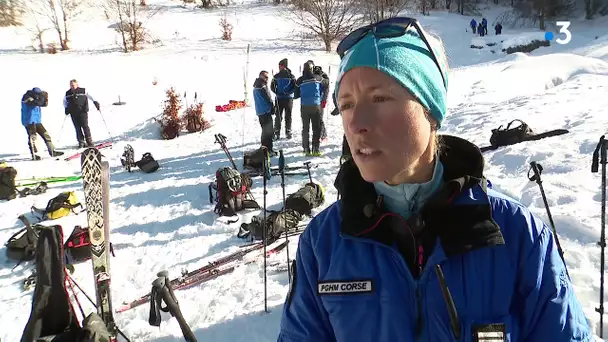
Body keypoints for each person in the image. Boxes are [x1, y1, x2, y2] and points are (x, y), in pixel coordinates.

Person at [277, 17, 592, 341]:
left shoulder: (516, 234)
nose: (356, 124)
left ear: (430, 108)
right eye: (346, 105)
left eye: (380, 98)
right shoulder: (323, 243)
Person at [294, 61, 329, 156]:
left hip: (304, 106)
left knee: (305, 128)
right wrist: (322, 73)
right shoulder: (317, 78)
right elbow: (326, 83)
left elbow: (296, 94)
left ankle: (306, 149)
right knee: (316, 128)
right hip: (315, 106)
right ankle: (315, 149)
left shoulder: (300, 80)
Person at [21, 88, 63, 160]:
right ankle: (34, 154)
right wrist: (42, 98)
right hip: (29, 120)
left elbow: (43, 104)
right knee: (33, 138)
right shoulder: (26, 97)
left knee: (45, 134)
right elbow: (36, 103)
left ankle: (52, 151)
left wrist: (46, 99)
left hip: (37, 120)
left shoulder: (36, 97)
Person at [63, 79, 100, 148]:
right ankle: (81, 142)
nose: (72, 86)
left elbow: (91, 96)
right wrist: (66, 108)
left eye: (73, 85)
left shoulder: (83, 90)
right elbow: (64, 101)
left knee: (85, 126)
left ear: (77, 84)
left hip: (82, 111)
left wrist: (95, 102)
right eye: (71, 85)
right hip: (73, 112)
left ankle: (89, 141)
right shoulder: (68, 93)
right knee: (77, 127)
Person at [271, 58, 296, 140]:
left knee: (288, 115)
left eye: (280, 66)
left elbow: (294, 87)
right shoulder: (276, 76)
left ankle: (288, 131)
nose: (279, 67)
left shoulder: (291, 76)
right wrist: (276, 92)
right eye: (279, 66)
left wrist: (289, 92)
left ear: (284, 66)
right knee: (278, 115)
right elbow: (272, 86)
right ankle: (277, 132)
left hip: (288, 98)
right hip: (279, 98)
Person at [253, 70, 276, 154]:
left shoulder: (257, 84)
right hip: (265, 111)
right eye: (265, 77)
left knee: (265, 131)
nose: (267, 79)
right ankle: (269, 150)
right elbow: (267, 98)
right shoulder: (261, 85)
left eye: (268, 77)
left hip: (260, 111)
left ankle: (265, 149)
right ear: (261, 76)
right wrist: (272, 107)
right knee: (268, 131)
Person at [310, 62, 329, 141]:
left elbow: (326, 91)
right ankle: (321, 134)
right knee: (318, 118)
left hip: (320, 101)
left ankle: (323, 135)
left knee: (319, 118)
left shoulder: (322, 79)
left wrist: (324, 100)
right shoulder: (322, 78)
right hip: (317, 101)